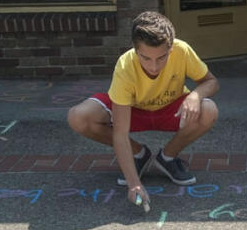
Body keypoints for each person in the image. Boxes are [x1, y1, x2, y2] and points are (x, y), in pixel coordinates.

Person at [67, 11, 220, 208]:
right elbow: (120, 134)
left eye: (161, 58)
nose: (153, 66)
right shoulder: (125, 65)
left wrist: (195, 95)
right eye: (145, 58)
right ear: (135, 49)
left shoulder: (182, 50)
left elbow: (212, 82)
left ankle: (167, 158)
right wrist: (134, 184)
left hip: (171, 109)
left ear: (171, 49)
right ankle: (139, 155)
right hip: (133, 111)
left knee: (209, 110)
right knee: (78, 117)